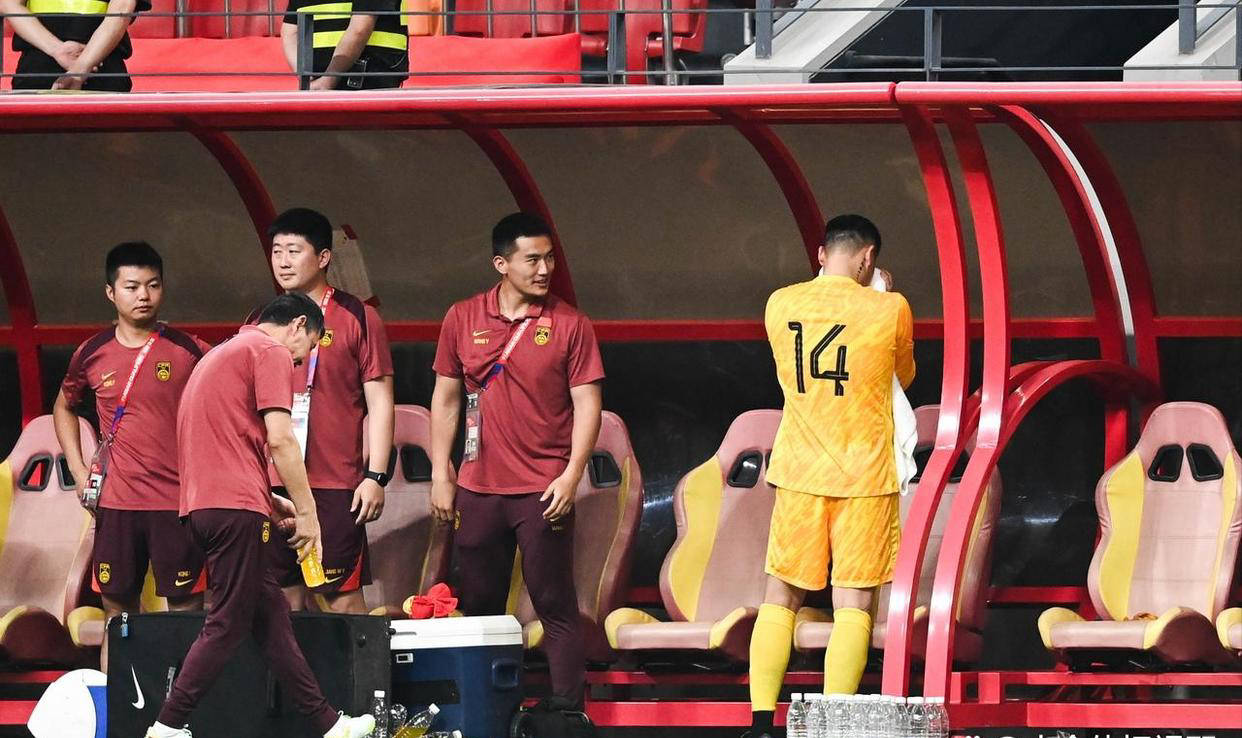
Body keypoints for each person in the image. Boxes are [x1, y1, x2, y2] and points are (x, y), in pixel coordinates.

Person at [146, 293, 375, 738]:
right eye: (308, 347)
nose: (301, 361)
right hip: (233, 510)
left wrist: (269, 500)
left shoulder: (221, 354)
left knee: (272, 621)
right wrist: (308, 512)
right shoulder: (269, 350)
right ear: (297, 325)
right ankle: (167, 726)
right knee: (226, 624)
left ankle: (329, 724)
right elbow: (281, 440)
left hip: (206, 507)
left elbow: (221, 446)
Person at [744, 215, 915, 738]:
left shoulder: (780, 303)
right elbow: (901, 376)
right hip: (865, 475)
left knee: (780, 598)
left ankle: (760, 722)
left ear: (821, 254)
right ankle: (835, 724)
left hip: (798, 470)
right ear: (868, 259)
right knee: (853, 606)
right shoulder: (890, 308)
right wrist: (880, 293)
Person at [429, 212, 604, 708]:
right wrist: (442, 473)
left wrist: (571, 476)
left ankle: (566, 714)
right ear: (501, 264)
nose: (544, 269)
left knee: (554, 605)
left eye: (549, 258)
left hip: (543, 490)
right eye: (532, 260)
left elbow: (588, 405)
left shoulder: (570, 323)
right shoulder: (462, 317)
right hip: (478, 488)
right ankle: (488, 711)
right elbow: (445, 399)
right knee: (480, 607)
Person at [52, 242, 209, 673]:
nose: (144, 295)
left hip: (178, 504)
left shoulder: (190, 349)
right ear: (111, 292)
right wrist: (78, 470)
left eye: (153, 285)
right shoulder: (91, 352)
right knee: (117, 615)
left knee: (187, 612)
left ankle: (185, 704)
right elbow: (64, 407)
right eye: (132, 286)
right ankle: (118, 706)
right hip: (117, 505)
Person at [250, 207, 395, 615]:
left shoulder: (359, 317)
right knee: (283, 601)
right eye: (277, 251)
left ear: (324, 257)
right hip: (272, 484)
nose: (283, 261)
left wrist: (376, 476)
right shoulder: (260, 321)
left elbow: (380, 402)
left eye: (294, 251)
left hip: (334, 484)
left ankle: (359, 665)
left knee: (342, 599)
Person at [0, 0, 148, 91]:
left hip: (39, 69)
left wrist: (78, 67)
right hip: (101, 68)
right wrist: (80, 67)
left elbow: (123, 7)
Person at [280, 0, 408, 89]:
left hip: (321, 80)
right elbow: (360, 29)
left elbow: (290, 33)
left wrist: (306, 76)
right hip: (367, 78)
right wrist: (327, 81)